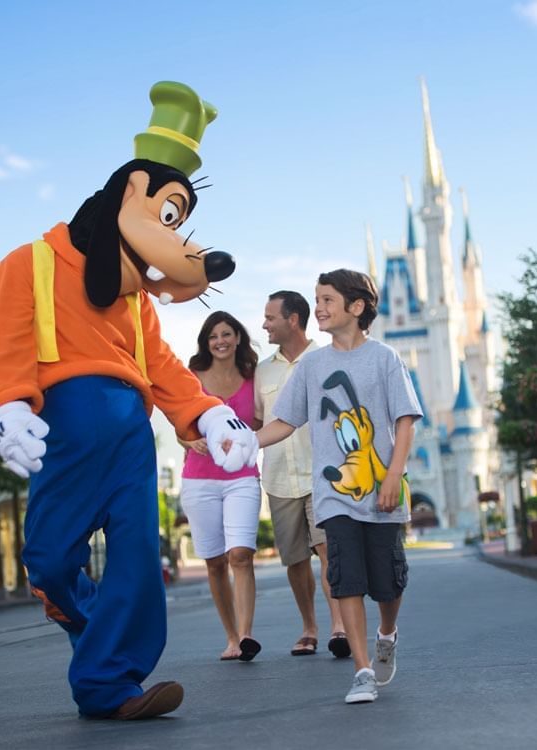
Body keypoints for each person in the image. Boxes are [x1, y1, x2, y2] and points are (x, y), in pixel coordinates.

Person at [0, 82, 258, 720]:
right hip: (66, 426)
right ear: (128, 197)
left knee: (139, 555)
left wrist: (204, 411)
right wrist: (9, 404)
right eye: (169, 215)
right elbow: (8, 340)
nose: (174, 239)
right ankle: (97, 639)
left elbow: (162, 365)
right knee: (50, 560)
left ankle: (110, 683)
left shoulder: (137, 300)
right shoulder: (28, 263)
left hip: (131, 440)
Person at [255, 269, 423, 704]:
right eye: (317, 299)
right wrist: (242, 443)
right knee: (344, 578)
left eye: (327, 300)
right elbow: (286, 420)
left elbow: (405, 421)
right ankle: (363, 670)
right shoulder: (312, 365)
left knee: (389, 583)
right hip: (334, 498)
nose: (320, 308)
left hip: (383, 493)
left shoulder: (384, 358)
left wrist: (392, 475)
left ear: (357, 306)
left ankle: (387, 632)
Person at [254, 291, 348, 658]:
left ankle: (339, 625)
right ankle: (309, 626)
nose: (264, 324)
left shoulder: (326, 360)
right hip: (279, 475)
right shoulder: (263, 371)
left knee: (328, 551)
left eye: (270, 317)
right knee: (294, 560)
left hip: (323, 473)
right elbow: (260, 422)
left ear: (293, 319)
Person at [180, 312, 262, 662]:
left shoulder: (252, 377)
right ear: (206, 342)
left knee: (240, 556)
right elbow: (180, 422)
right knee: (214, 562)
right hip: (199, 479)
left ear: (238, 338)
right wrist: (190, 441)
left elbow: (259, 421)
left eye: (226, 334)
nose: (220, 341)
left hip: (242, 478)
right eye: (213, 336)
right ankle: (230, 636)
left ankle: (246, 637)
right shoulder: (192, 377)